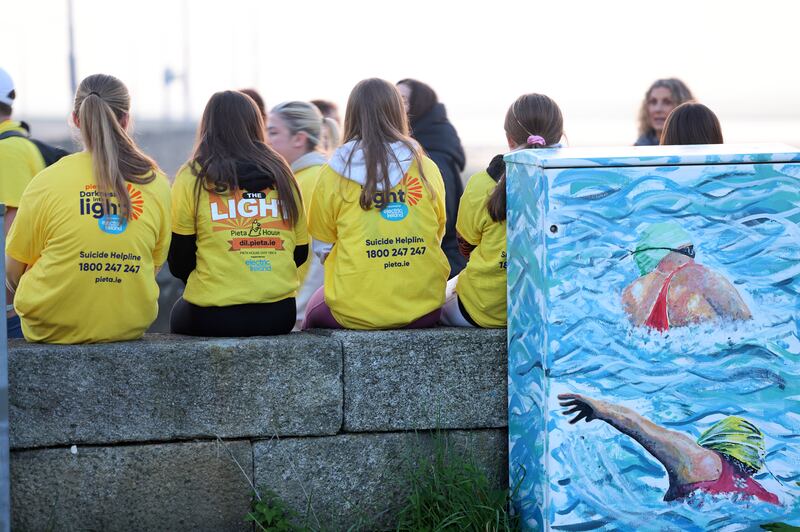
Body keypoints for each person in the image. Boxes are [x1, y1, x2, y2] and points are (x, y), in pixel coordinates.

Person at [5, 73, 171, 343]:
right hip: (128, 323)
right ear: (126, 120)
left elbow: (12, 271)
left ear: (75, 119)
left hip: (50, 327)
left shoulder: (47, 181)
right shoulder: (156, 182)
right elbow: (153, 264)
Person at [303, 78, 449, 329]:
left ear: (352, 115)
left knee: (312, 311)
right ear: (398, 113)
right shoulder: (426, 167)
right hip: (424, 307)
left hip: (354, 310)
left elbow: (323, 245)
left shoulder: (332, 172)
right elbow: (438, 230)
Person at [168, 91, 306, 336]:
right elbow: (300, 252)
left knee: (177, 313)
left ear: (208, 126)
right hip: (279, 314)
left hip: (214, 314)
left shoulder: (194, 175)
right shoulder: (281, 172)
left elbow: (179, 259)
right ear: (256, 124)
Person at [441, 93, 563, 328]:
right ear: (559, 135)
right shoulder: (569, 184)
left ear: (509, 139)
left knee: (440, 302)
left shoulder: (482, 184)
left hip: (485, 309)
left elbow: (466, 244)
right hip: (548, 308)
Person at [558, 393, 779, 505]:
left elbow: (641, 427)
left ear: (717, 438)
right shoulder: (762, 494)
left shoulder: (701, 461)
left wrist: (602, 410)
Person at [267, 100, 330, 328]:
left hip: (301, 310)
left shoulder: (312, 180)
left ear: (299, 139)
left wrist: (301, 310)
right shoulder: (299, 177)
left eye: (273, 132)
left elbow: (321, 255)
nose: (266, 140)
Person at [622, 221, 751, 331]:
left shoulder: (631, 292)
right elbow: (746, 320)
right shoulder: (696, 276)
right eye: (689, 251)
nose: (692, 257)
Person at [397, 79, 467, 277]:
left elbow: (442, 219)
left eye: (403, 100)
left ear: (419, 106)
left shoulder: (432, 156)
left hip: (439, 265)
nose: (396, 106)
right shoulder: (419, 147)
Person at [0, 67, 45, 338]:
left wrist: (7, 308)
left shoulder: (7, 151)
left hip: (9, 314)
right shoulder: (19, 144)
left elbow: (10, 240)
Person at [635, 78, 693, 146]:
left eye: (667, 102)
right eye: (653, 102)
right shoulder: (638, 149)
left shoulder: (697, 148)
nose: (658, 109)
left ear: (683, 106)